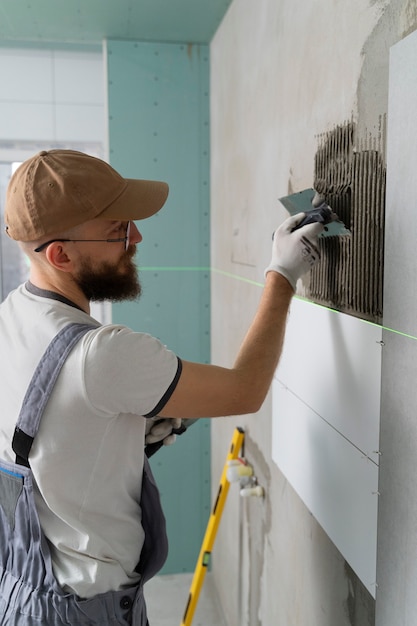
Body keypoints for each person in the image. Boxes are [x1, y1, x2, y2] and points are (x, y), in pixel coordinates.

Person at [0, 149, 324, 625]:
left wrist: (121, 435)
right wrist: (281, 275)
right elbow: (244, 391)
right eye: (117, 230)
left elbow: (38, 437)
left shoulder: (11, 317)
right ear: (61, 254)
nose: (137, 237)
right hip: (86, 612)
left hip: (23, 593)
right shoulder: (100, 354)